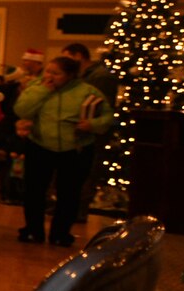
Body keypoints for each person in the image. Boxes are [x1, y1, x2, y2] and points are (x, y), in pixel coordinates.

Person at [14, 54, 113, 247]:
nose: (49, 76)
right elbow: (21, 110)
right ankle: (33, 230)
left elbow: (108, 116)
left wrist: (92, 124)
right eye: (48, 71)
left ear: (70, 75)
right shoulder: (37, 87)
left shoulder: (87, 92)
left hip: (75, 149)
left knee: (69, 193)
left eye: (56, 73)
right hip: (40, 146)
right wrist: (43, 90)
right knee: (34, 190)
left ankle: (61, 233)